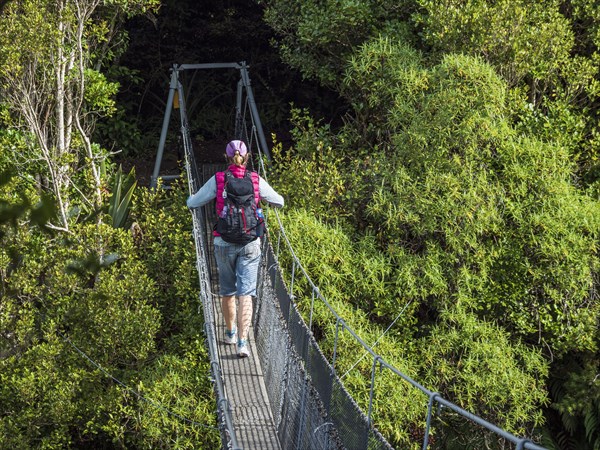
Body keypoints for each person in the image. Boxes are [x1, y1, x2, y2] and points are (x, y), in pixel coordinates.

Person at [187, 140, 284, 357]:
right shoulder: (255, 180)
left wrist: (189, 200)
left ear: (226, 157)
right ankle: (242, 343)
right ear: (247, 157)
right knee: (246, 293)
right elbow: (279, 202)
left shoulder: (219, 179)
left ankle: (230, 333)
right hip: (250, 243)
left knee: (228, 290)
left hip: (223, 242)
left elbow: (195, 202)